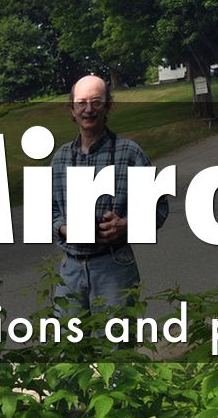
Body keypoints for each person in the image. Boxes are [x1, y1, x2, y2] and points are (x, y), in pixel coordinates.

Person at [50, 74, 168, 316]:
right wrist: (64, 229)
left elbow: (158, 208)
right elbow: (47, 209)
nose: (88, 109)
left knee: (116, 337)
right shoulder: (60, 158)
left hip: (113, 264)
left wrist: (126, 225)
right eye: (81, 103)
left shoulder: (130, 153)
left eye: (96, 102)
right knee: (66, 338)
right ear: (72, 109)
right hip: (70, 269)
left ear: (108, 106)